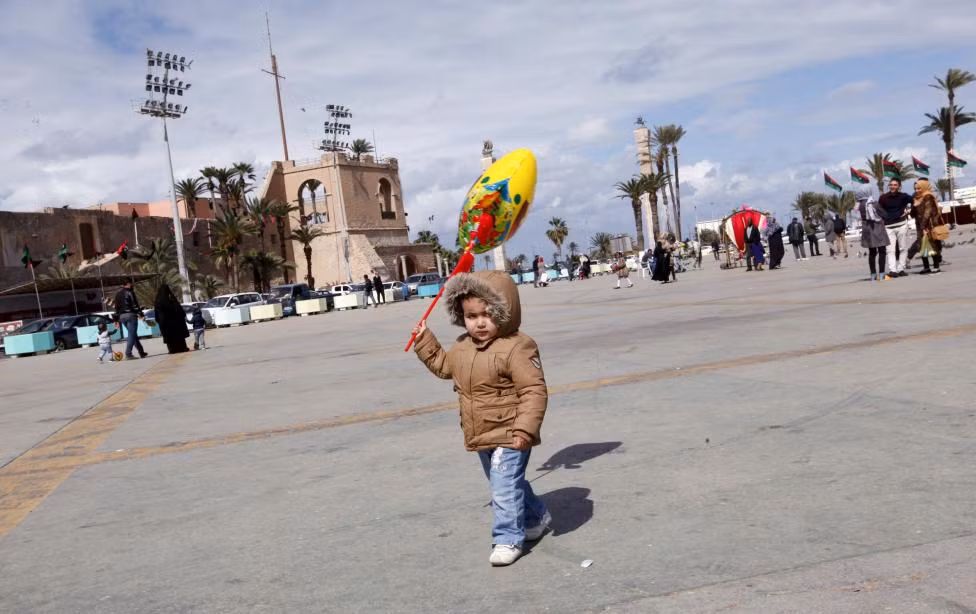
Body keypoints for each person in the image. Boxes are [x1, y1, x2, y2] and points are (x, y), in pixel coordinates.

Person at [411, 271, 549, 567]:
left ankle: (508, 538)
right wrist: (425, 341)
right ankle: (536, 516)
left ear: (504, 312)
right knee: (506, 482)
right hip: (480, 432)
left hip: (511, 432)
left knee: (503, 484)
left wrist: (525, 428)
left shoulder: (518, 346)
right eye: (472, 316)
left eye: (488, 314)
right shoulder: (463, 347)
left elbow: (533, 390)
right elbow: (446, 367)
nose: (480, 322)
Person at [878, 177, 913, 277]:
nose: (892, 186)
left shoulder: (904, 196)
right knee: (890, 249)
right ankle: (892, 270)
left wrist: (909, 211)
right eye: (891, 185)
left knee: (903, 248)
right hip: (888, 226)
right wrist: (883, 218)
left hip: (902, 225)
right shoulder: (883, 197)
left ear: (899, 186)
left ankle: (901, 269)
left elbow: (915, 200)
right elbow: (879, 210)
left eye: (895, 185)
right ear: (888, 186)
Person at [857, 189, 890, 281]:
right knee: (882, 251)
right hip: (877, 229)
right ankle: (882, 274)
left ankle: (873, 274)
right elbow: (884, 214)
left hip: (867, 230)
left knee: (872, 253)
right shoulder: (873, 203)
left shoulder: (860, 204)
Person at [914, 178, 945, 275]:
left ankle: (936, 266)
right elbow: (913, 214)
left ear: (924, 187)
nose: (917, 190)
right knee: (923, 246)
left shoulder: (928, 196)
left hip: (929, 225)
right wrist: (914, 206)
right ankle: (926, 267)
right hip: (920, 225)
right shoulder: (917, 198)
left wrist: (923, 227)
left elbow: (928, 213)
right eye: (915, 189)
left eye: (919, 188)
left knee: (932, 245)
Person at [113, 280, 147, 360]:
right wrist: (141, 314)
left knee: (133, 334)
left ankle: (141, 352)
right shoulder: (130, 292)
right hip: (131, 315)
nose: (132, 285)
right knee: (131, 335)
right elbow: (135, 305)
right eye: (131, 284)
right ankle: (128, 354)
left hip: (122, 317)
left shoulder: (117, 294)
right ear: (128, 284)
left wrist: (116, 320)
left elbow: (116, 308)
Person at [154, 283, 189, 354]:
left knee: (168, 337)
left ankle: (172, 350)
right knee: (178, 335)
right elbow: (178, 309)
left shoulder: (158, 301)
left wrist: (158, 320)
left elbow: (156, 313)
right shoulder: (171, 299)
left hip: (164, 322)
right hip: (175, 322)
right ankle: (182, 348)